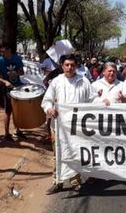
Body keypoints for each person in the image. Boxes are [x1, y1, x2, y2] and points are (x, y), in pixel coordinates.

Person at [41, 54, 99, 195]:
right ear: (62, 66)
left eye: (72, 65)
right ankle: (58, 181)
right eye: (67, 65)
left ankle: (75, 181)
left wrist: (103, 103)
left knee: (75, 152)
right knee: (59, 153)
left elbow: (93, 98)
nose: (69, 67)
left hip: (78, 126)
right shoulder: (56, 82)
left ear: (76, 66)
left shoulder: (83, 81)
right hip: (59, 125)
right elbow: (47, 100)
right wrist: (49, 109)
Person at [0, 44, 25, 141]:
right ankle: (6, 133)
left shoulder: (17, 58)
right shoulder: (0, 61)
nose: (2, 53)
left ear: (9, 50)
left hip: (18, 87)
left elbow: (22, 72)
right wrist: (4, 81)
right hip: (7, 89)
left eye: (3, 51)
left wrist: (16, 73)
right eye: (1, 52)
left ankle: (17, 130)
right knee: (8, 111)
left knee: (17, 111)